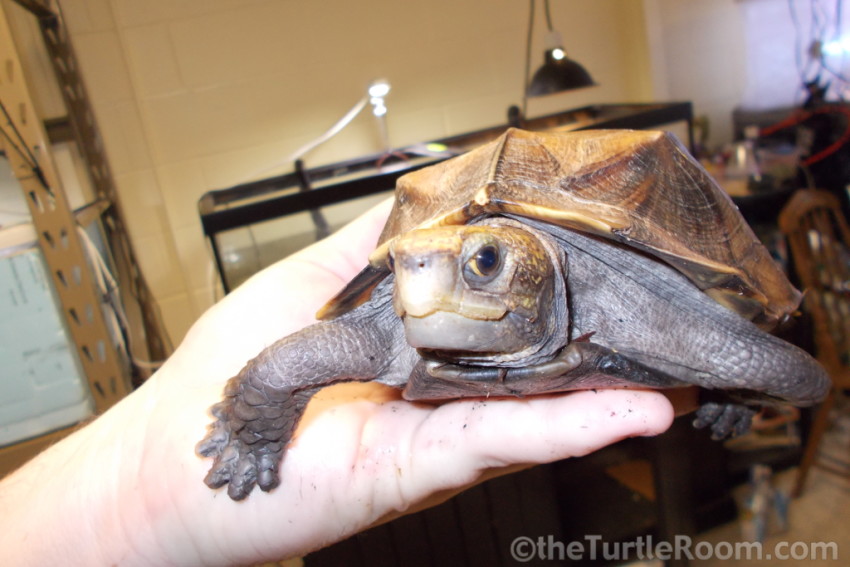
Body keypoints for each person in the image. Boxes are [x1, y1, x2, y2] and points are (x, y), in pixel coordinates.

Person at [0, 199, 677, 565]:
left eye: (483, 262)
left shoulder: (595, 282)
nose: (417, 283)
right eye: (408, 267)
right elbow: (278, 370)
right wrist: (247, 437)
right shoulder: (383, 330)